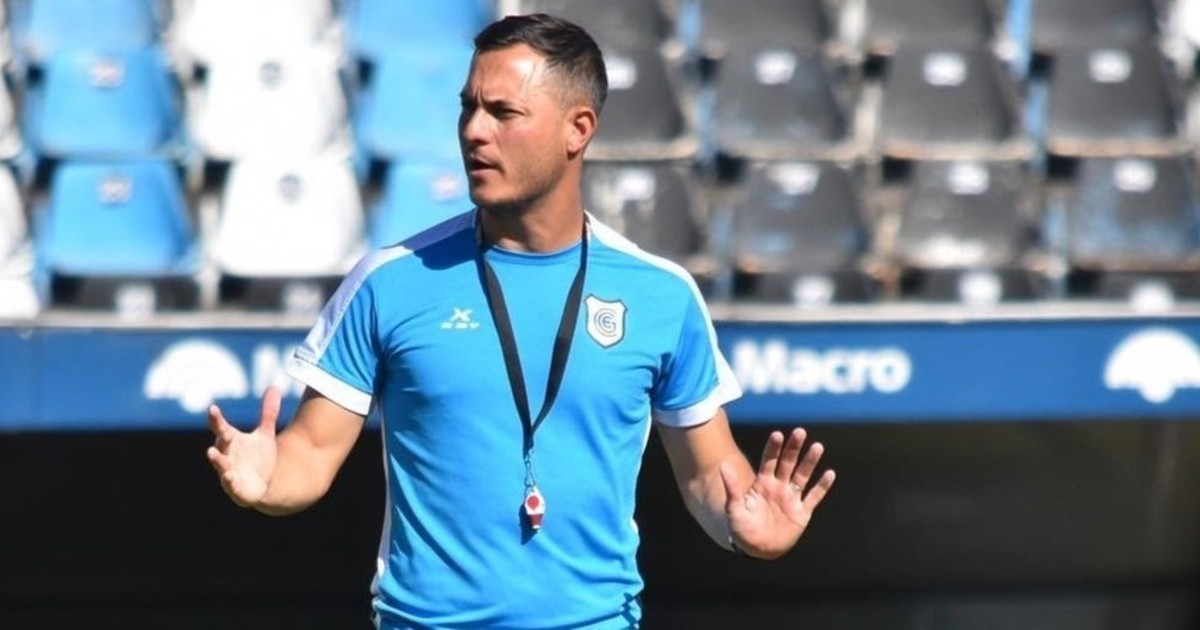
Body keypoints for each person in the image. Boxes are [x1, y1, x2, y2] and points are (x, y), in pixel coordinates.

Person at [206, 12, 836, 629]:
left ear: (577, 129)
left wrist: (746, 526)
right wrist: (267, 479)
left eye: (503, 112)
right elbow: (310, 455)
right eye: (468, 108)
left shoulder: (661, 295)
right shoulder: (388, 282)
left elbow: (707, 476)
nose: (474, 131)